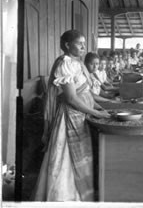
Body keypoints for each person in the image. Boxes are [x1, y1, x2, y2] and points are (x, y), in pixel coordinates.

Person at [33, 30, 110, 201]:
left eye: (84, 43)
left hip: (82, 116)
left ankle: (81, 197)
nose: (83, 46)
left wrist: (102, 109)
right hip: (69, 117)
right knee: (65, 163)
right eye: (79, 43)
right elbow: (71, 98)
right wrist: (96, 113)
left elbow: (86, 94)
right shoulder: (65, 64)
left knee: (81, 157)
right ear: (67, 45)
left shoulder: (78, 64)